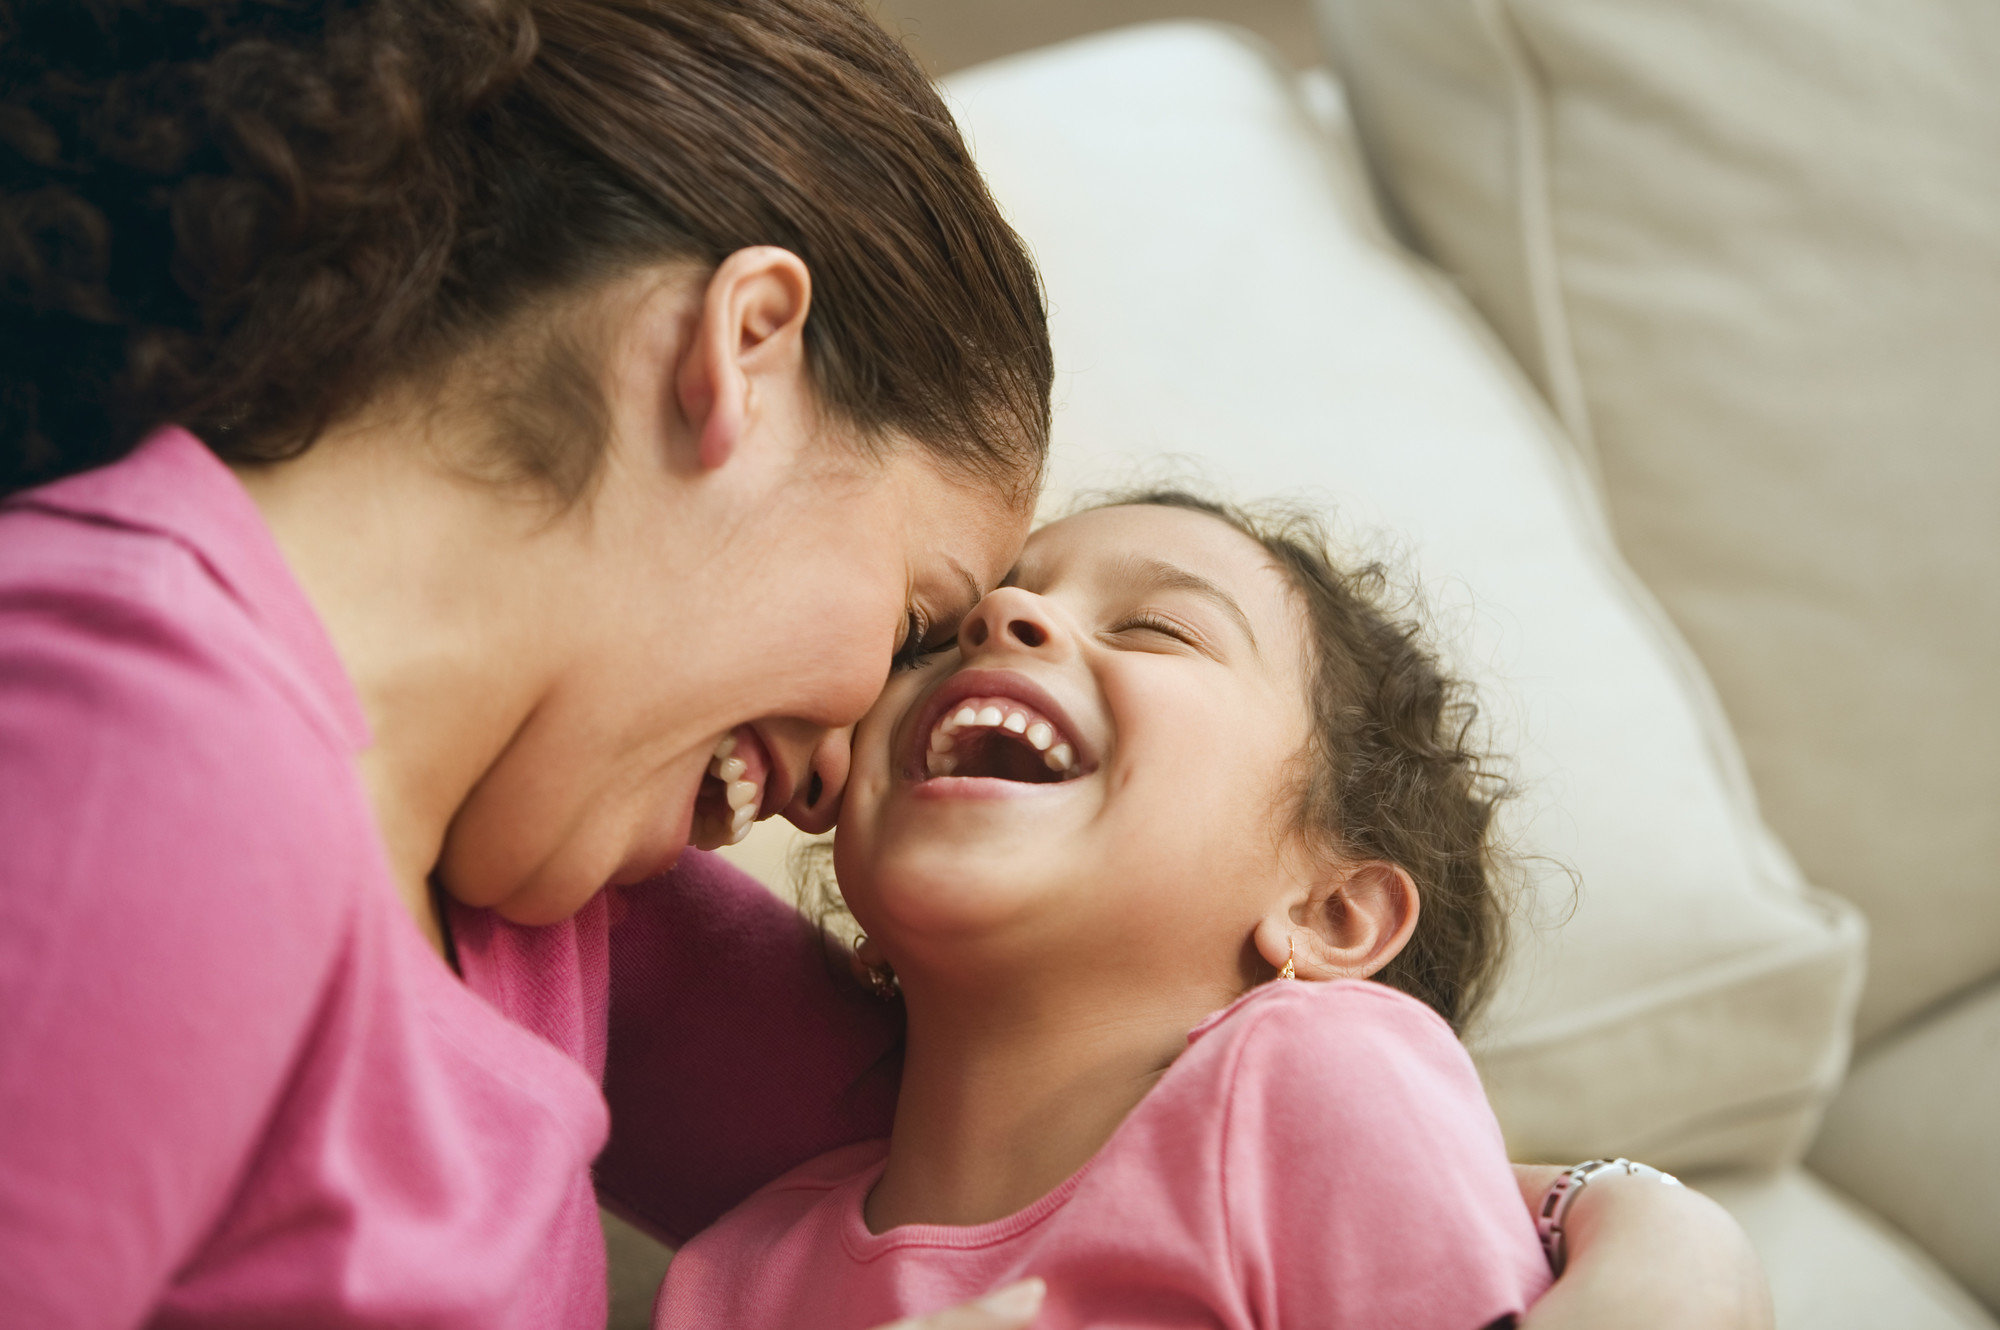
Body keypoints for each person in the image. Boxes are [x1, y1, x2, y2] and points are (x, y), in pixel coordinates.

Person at [0, 2, 1767, 1327]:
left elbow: (1108, 1128)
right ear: (742, 357)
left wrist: (1660, 1241)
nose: (855, 743)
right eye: (925, 613)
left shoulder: (560, 894)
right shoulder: (132, 753)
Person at [656, 496, 1773, 1329]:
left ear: (1329, 914)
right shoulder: (733, 1273)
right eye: (936, 637)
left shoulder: (1313, 1080)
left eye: (1153, 626)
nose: (1003, 611)